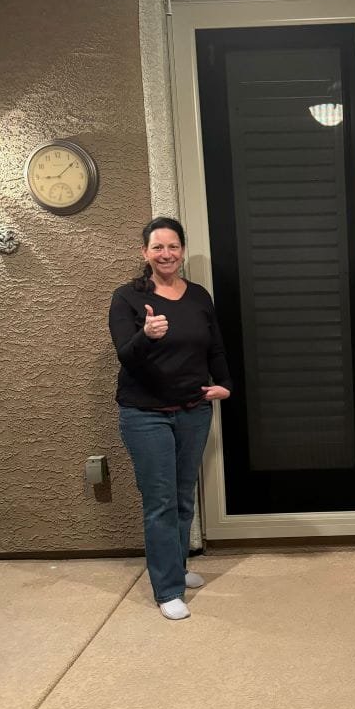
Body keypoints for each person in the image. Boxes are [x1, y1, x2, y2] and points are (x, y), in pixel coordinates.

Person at [109, 217, 232, 620]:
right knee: (160, 501)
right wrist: (147, 335)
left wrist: (225, 383)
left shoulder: (198, 296)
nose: (166, 254)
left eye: (173, 246)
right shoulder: (127, 297)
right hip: (145, 415)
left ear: (182, 250)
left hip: (193, 410)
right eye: (158, 247)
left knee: (181, 497)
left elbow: (214, 346)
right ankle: (168, 589)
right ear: (144, 252)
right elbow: (126, 355)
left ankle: (175, 567)